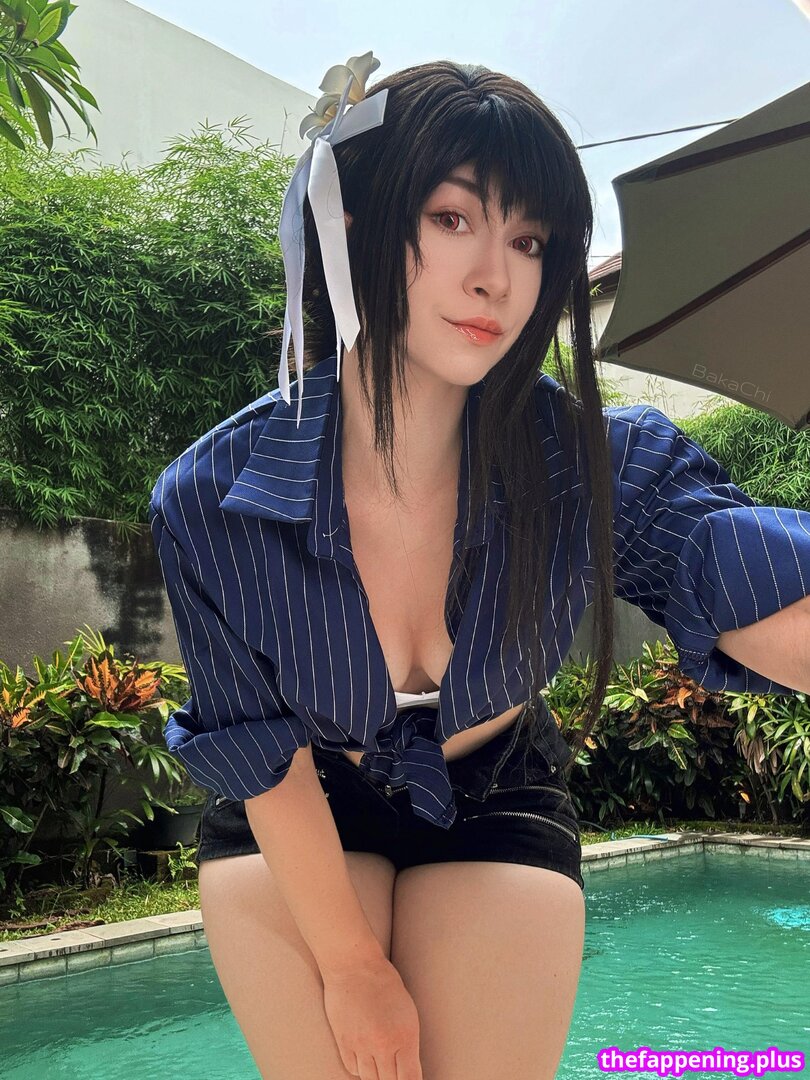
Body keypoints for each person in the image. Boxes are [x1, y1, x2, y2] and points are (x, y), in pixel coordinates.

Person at [148, 54, 810, 1080]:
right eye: (453, 218)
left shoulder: (597, 461)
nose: (497, 277)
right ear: (353, 228)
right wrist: (352, 971)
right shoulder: (210, 496)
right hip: (305, 796)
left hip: (500, 785)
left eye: (530, 240)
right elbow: (257, 751)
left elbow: (733, 572)